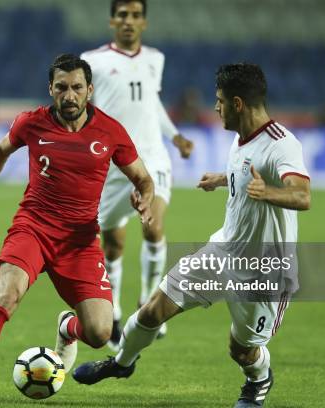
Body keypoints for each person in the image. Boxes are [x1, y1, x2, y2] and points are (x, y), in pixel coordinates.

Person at [73, 63, 312, 408]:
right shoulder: (240, 138)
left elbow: (302, 196)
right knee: (153, 310)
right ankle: (121, 363)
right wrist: (223, 179)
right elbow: (246, 175)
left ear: (238, 104)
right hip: (223, 252)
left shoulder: (282, 145)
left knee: (241, 349)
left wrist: (267, 192)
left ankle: (258, 380)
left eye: (220, 101)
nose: (216, 108)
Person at [0, 54, 155, 401]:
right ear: (50, 90)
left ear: (89, 90)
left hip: (81, 240)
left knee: (100, 332)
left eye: (76, 88)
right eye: (61, 88)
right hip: (34, 227)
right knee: (7, 293)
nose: (69, 95)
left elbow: (143, 178)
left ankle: (67, 328)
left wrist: (144, 198)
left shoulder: (111, 131)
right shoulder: (32, 122)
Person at [80, 0, 193, 350]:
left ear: (144, 22)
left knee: (153, 225)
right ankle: (112, 312)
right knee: (112, 244)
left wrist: (174, 135)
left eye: (135, 16)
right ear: (113, 20)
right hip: (112, 165)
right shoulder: (93, 61)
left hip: (152, 159)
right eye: (123, 15)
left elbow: (151, 103)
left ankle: (147, 303)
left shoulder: (155, 59)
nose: (129, 21)